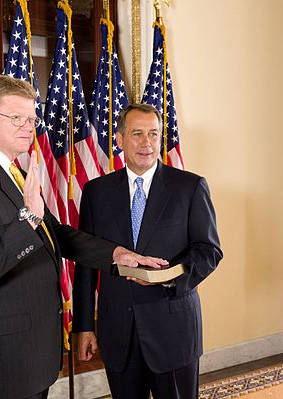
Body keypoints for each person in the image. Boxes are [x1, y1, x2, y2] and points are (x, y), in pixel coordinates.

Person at [0, 76, 165, 399]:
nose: (28, 127)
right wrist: (27, 217)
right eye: (17, 118)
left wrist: (116, 255)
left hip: (29, 352)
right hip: (2, 361)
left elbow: (56, 235)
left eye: (31, 119)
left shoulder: (13, 171)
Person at [73, 103, 223, 399]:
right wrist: (84, 326)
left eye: (154, 134)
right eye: (137, 134)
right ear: (119, 139)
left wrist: (169, 277)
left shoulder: (190, 187)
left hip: (174, 329)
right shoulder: (96, 192)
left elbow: (208, 250)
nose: (147, 143)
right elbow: (86, 263)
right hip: (118, 332)